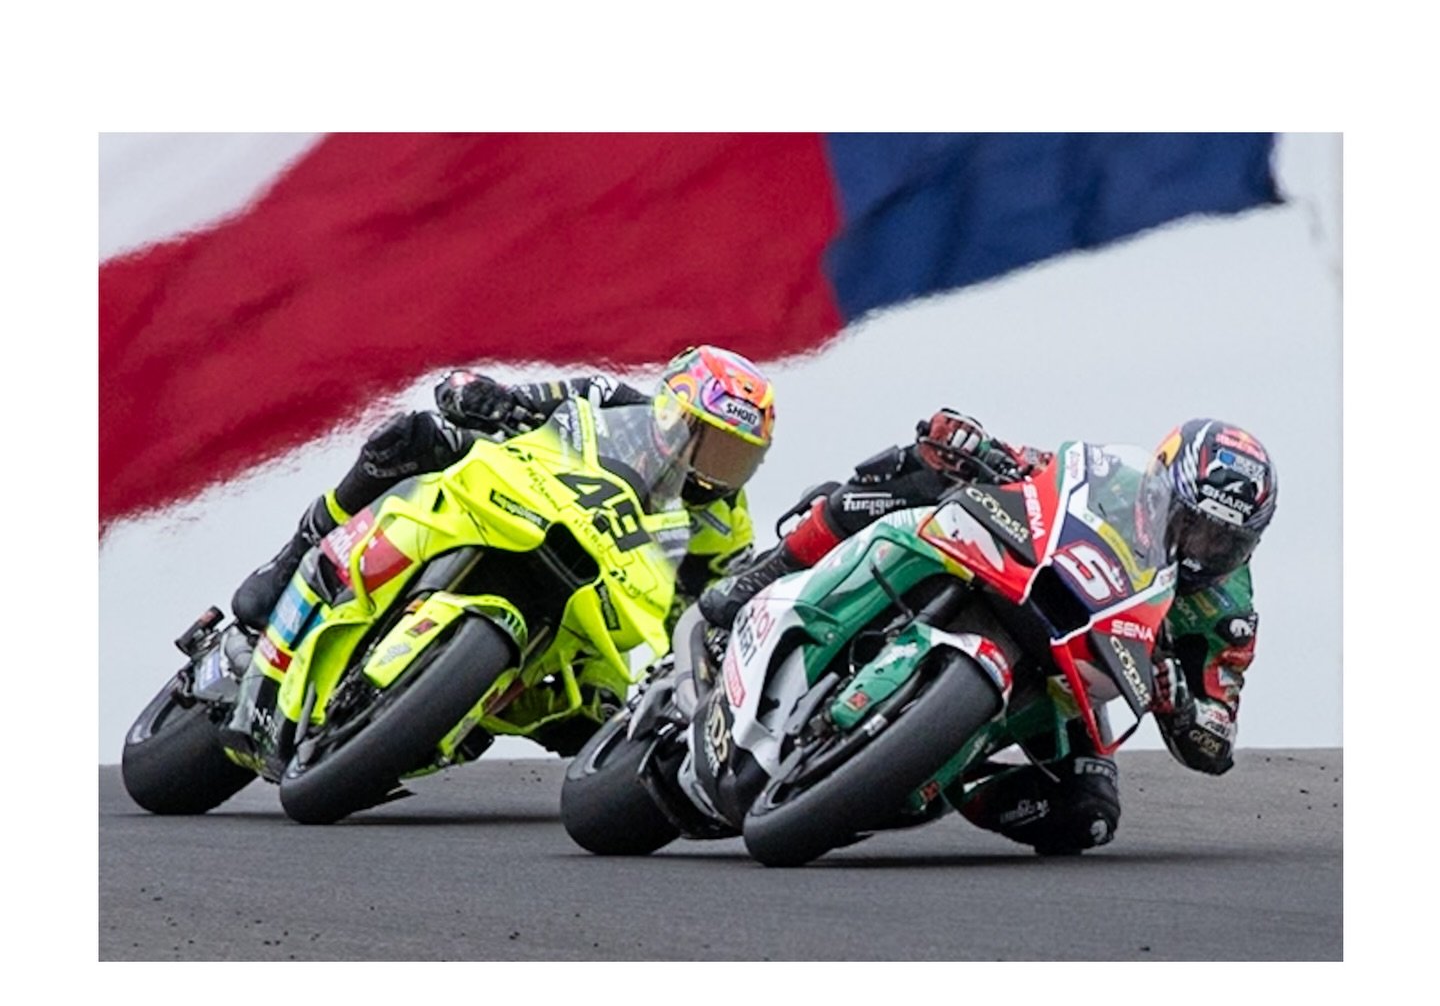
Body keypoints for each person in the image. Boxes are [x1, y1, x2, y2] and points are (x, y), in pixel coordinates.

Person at [697, 411, 1279, 855]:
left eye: (1225, 541)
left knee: (1089, 813)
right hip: (1027, 580)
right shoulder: (1117, 485)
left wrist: (1180, 704)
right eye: (1194, 524)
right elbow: (1040, 470)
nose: (1204, 549)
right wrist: (972, 443)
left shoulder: (1226, 611)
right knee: (912, 474)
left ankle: (935, 778)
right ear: (1163, 487)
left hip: (1082, 674)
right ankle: (768, 572)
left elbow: (1217, 739)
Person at [230, 344, 777, 754]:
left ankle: (456, 711)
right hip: (518, 502)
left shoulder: (727, 522)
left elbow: (711, 606)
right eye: (706, 442)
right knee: (414, 436)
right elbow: (516, 400)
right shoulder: (608, 400)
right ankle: (290, 560)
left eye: (736, 458)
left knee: (598, 722)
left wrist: (684, 659)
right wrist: (479, 395)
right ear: (669, 413)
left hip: (597, 605)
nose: (714, 470)